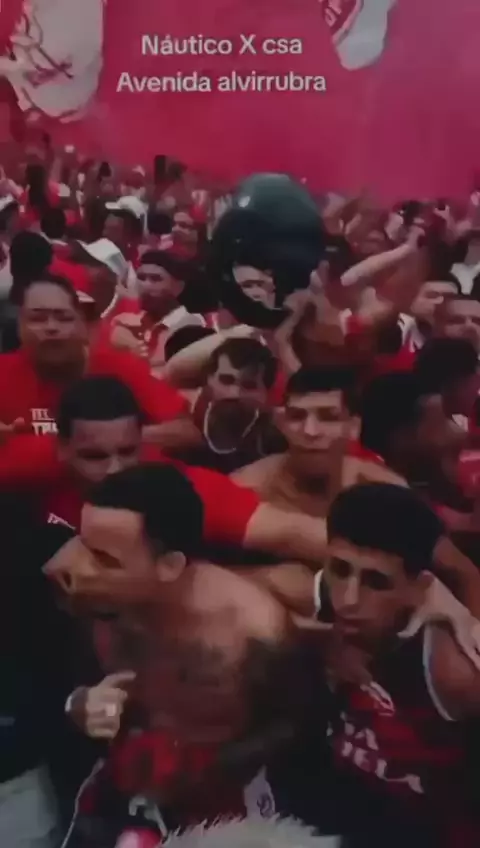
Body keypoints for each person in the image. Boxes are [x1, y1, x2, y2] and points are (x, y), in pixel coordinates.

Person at [45, 463, 321, 845]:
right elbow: (62, 688)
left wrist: (198, 767)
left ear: (169, 565)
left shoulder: (251, 633)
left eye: (104, 559)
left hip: (223, 803)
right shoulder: (89, 595)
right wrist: (80, 704)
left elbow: (295, 732)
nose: (80, 568)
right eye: (82, 543)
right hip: (124, 781)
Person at [319, 483, 480, 847]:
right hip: (338, 813)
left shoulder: (451, 673)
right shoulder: (317, 601)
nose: (348, 599)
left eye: (376, 582)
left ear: (419, 588)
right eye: (340, 569)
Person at [0, 272, 190, 434]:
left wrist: (115, 438)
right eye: (37, 318)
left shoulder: (122, 370)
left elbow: (185, 430)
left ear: (83, 326)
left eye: (64, 318)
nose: (51, 327)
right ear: (19, 327)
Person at [233, 368, 405, 517]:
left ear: (354, 427)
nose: (310, 431)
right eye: (297, 417)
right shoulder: (245, 488)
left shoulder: (388, 492)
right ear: (282, 424)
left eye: (329, 417)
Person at [187, 337, 284, 473]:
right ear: (209, 380)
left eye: (249, 385)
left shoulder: (278, 438)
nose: (235, 393)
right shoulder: (182, 418)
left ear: (265, 393)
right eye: (226, 380)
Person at [109, 250, 204, 366]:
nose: (146, 285)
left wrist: (132, 345)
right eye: (141, 278)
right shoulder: (134, 319)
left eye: (156, 279)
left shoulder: (190, 323)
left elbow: (163, 370)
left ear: (179, 286)